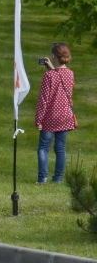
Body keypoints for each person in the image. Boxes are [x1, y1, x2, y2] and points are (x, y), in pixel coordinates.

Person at [36, 43, 76, 185]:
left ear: (53, 56)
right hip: (65, 117)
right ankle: (58, 178)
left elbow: (43, 100)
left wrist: (38, 120)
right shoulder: (70, 74)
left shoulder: (48, 76)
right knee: (60, 148)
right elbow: (61, 81)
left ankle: (42, 178)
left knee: (43, 148)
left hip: (50, 118)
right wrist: (52, 68)